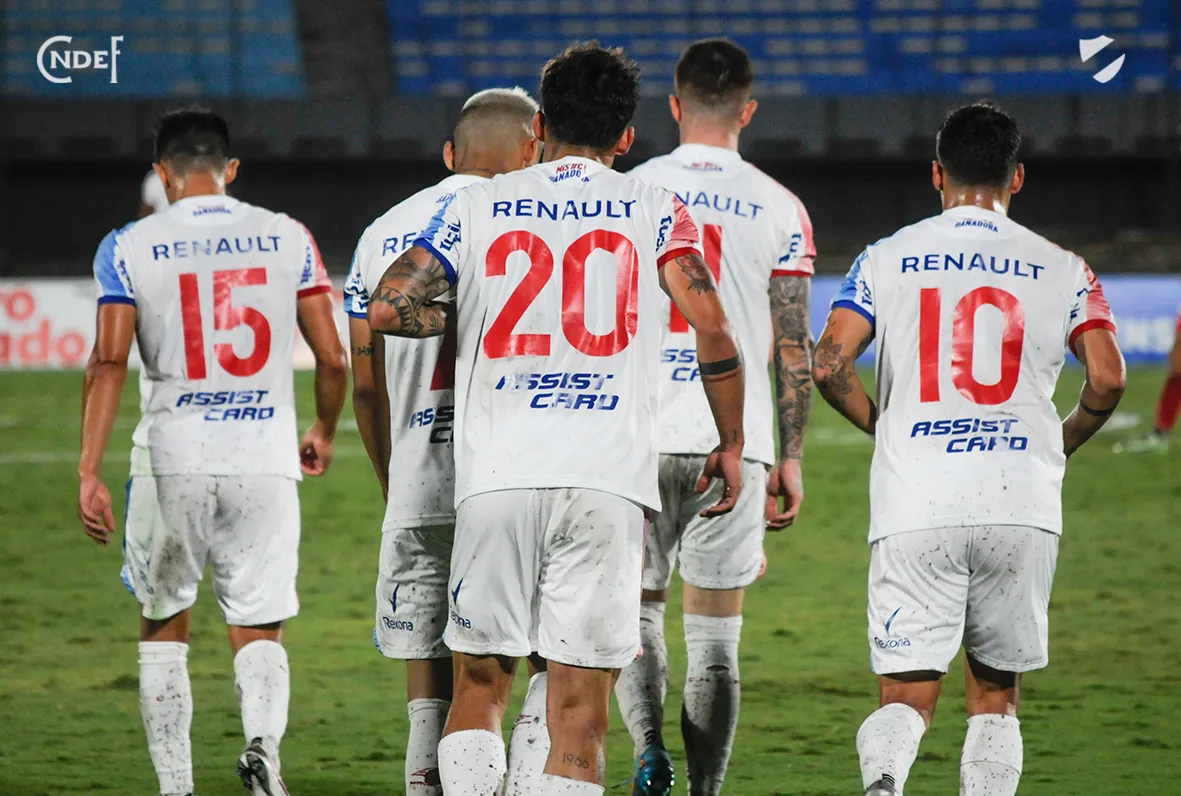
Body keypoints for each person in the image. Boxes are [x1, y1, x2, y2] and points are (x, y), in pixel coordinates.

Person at [367, 41, 747, 796]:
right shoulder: (654, 205)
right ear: (627, 136)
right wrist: (731, 441)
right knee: (579, 704)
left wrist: (468, 320)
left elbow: (388, 307)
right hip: (606, 481)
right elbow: (711, 324)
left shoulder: (474, 204)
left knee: (479, 683)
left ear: (538, 126)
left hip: (497, 476)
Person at [811, 102, 1125, 796]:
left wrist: (884, 426)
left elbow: (828, 364)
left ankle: (884, 784)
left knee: (905, 694)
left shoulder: (884, 257)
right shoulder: (1064, 267)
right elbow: (1107, 376)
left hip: (917, 498)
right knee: (994, 697)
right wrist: (1060, 440)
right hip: (1020, 500)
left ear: (936, 174)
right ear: (1017, 177)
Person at [77, 107, 348, 796]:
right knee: (259, 624)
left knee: (164, 622)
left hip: (171, 460)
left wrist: (88, 469)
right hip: (263, 457)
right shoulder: (288, 235)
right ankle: (263, 751)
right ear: (229, 169)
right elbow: (333, 357)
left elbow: (108, 361)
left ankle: (177, 787)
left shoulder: (128, 244)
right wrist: (322, 428)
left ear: (162, 173)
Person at [613, 38, 816, 796]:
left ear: (673, 105)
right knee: (715, 640)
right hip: (732, 439)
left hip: (633, 436)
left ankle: (648, 752)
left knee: (635, 615)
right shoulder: (780, 206)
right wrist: (789, 457)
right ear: (748, 111)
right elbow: (791, 343)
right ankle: (704, 792)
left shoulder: (630, 190)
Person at [344, 86, 542, 796]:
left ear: (450, 153)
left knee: (427, 677)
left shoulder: (381, 234)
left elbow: (366, 385)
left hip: (417, 481)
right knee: (541, 662)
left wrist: (392, 480)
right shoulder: (534, 221)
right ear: (534, 150)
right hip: (513, 477)